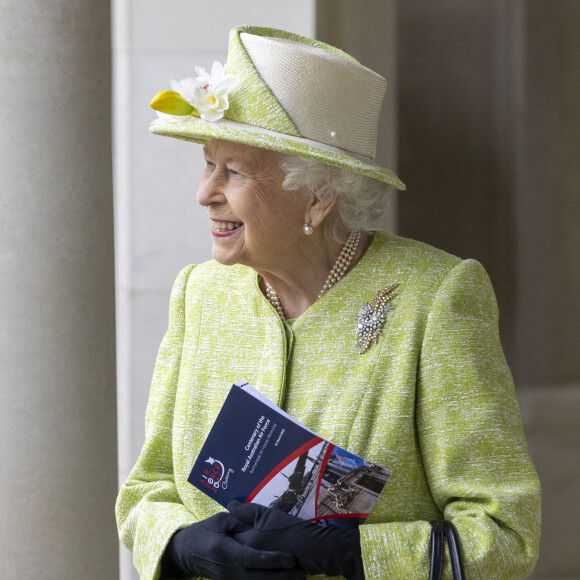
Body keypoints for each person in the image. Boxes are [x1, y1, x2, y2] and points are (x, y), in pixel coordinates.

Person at [116, 25, 540, 580]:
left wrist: (355, 557)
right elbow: (146, 492)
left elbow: (505, 534)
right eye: (207, 163)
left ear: (317, 196)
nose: (205, 192)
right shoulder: (200, 294)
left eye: (235, 171)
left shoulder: (435, 297)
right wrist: (180, 545)